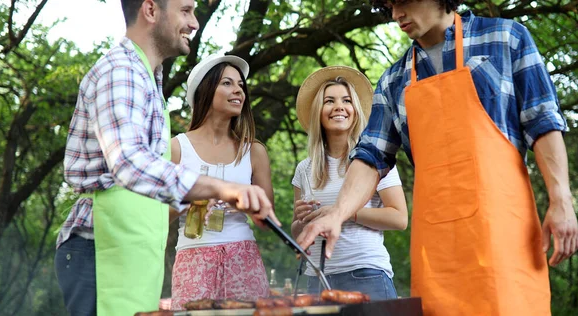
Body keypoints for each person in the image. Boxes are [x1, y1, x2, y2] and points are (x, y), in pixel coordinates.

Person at [296, 1, 578, 315]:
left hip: (505, 239)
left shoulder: (507, 39)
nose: (395, 14)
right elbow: (370, 157)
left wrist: (561, 199)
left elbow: (543, 123)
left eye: (402, 1)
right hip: (438, 252)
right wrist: (337, 212)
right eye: (388, 5)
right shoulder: (393, 81)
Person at [54, 1, 278, 315]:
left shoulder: (147, 80)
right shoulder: (122, 72)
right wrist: (225, 188)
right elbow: (128, 162)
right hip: (99, 248)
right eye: (186, 10)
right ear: (150, 10)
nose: (195, 22)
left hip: (128, 252)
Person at [291, 66, 408, 300]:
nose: (339, 107)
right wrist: (301, 220)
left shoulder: (375, 159)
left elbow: (399, 218)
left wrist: (343, 212)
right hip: (317, 278)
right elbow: (297, 233)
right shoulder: (305, 168)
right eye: (329, 101)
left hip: (366, 274)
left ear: (355, 110)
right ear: (318, 112)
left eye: (346, 100)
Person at [169, 54, 272, 310]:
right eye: (227, 83)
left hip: (243, 257)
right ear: (205, 89)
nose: (238, 90)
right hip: (192, 259)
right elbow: (158, 215)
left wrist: (244, 203)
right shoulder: (176, 148)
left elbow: (267, 219)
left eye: (240, 85)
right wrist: (192, 199)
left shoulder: (254, 151)